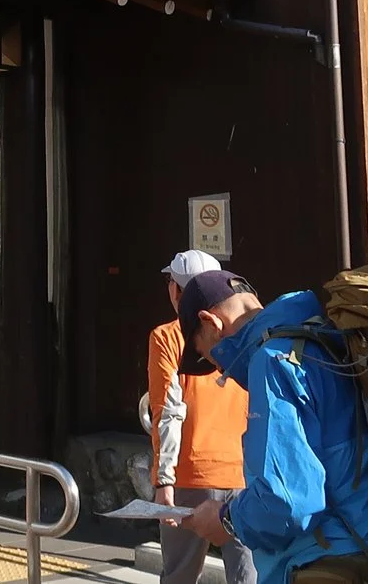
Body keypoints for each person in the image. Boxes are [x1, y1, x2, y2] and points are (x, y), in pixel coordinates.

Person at [172, 271, 368, 583]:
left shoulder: (271, 361)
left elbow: (288, 501)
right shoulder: (318, 336)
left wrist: (226, 519)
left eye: (206, 355)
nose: (218, 365)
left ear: (211, 323)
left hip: (321, 560)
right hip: (366, 547)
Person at [147, 250, 254, 584]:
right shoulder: (243, 332)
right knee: (248, 576)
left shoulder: (166, 336)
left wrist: (163, 480)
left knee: (180, 575)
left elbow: (167, 409)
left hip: (188, 475)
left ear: (178, 291)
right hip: (241, 472)